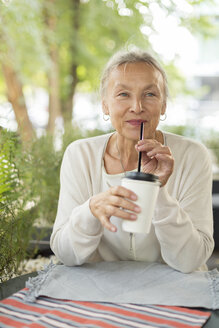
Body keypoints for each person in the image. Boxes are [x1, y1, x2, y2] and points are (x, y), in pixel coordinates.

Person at [50, 49, 214, 273]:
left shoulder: (193, 156)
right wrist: (90, 210)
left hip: (176, 295)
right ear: (105, 105)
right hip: (101, 292)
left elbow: (191, 261)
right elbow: (65, 254)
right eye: (123, 94)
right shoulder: (80, 155)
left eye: (150, 94)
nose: (137, 106)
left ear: (163, 104)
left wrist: (159, 192)